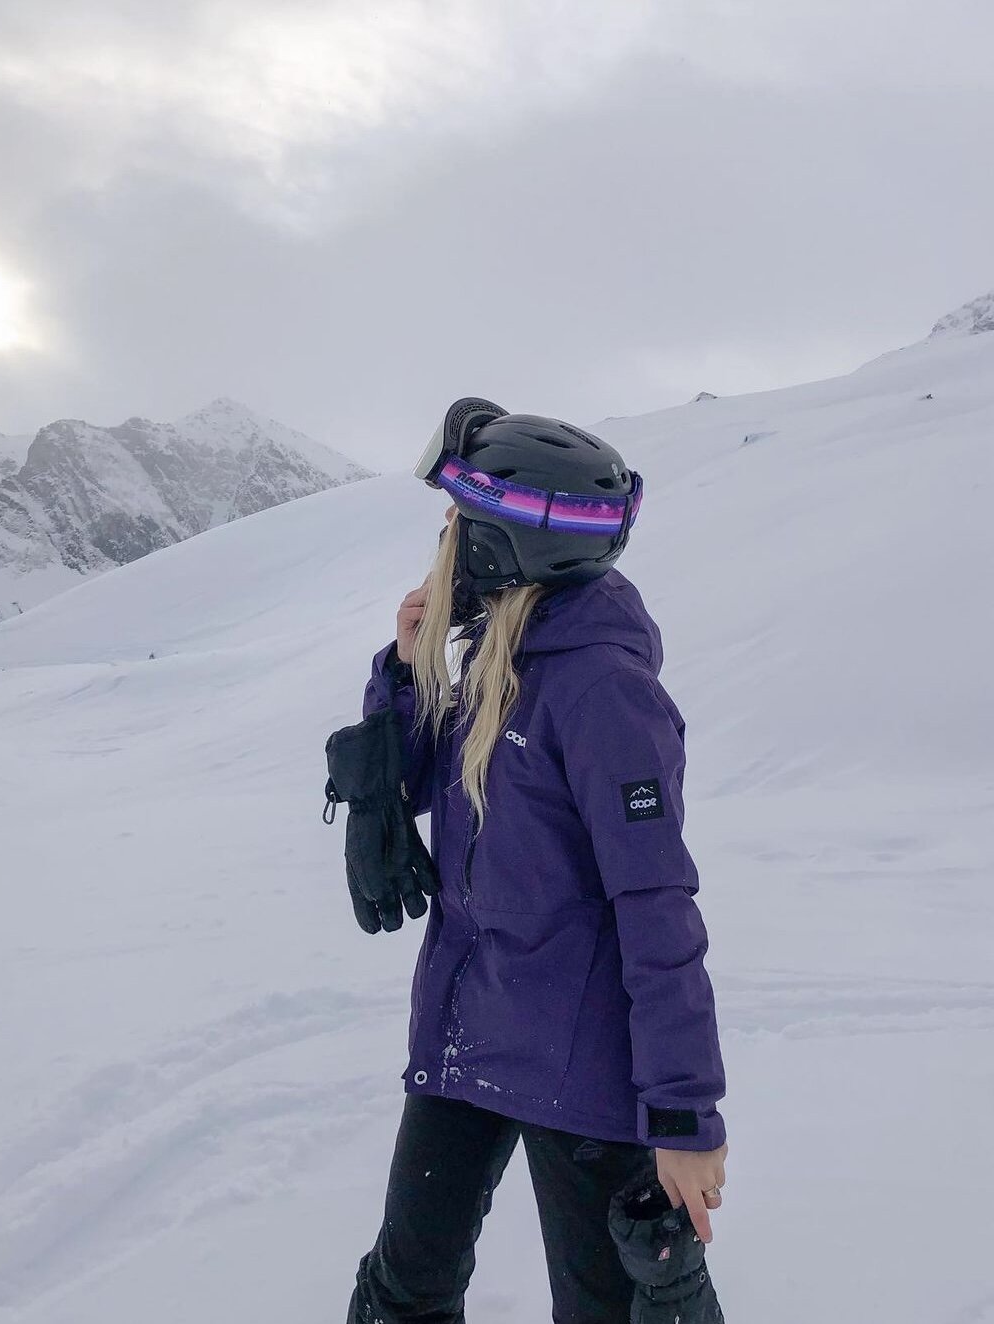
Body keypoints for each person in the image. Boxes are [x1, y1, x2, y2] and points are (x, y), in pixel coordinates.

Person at [345, 399, 728, 1323]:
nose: (444, 537)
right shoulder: (499, 658)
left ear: (502, 547)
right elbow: (426, 788)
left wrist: (682, 1117)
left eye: (457, 520)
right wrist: (405, 673)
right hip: (467, 1031)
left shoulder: (601, 691)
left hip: (580, 1064)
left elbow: (655, 902)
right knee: (402, 1292)